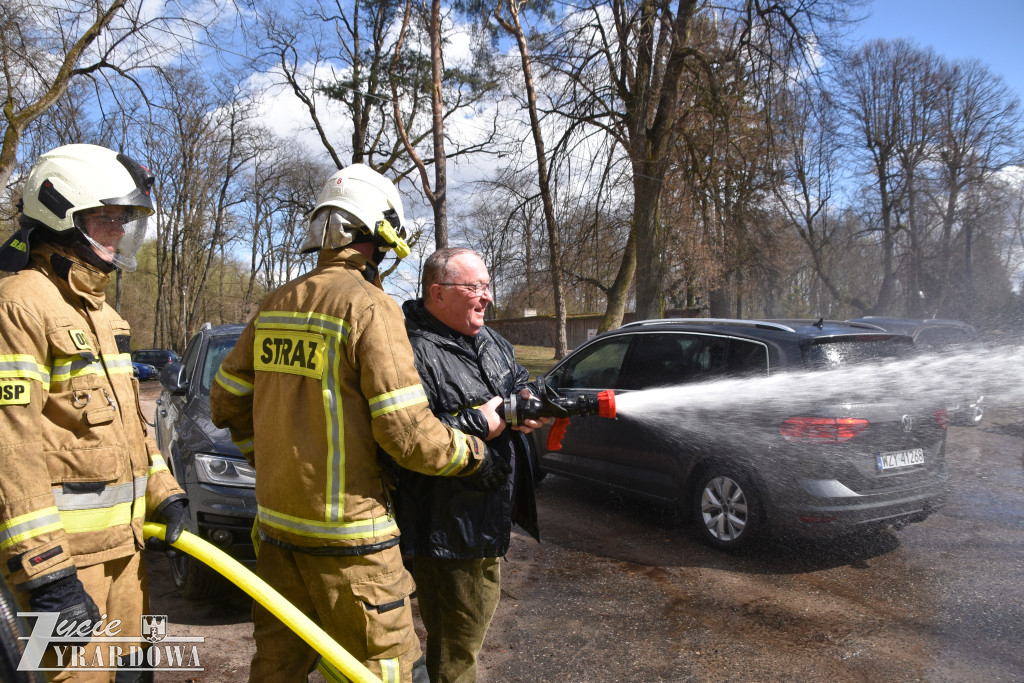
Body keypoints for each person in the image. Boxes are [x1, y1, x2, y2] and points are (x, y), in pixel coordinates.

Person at [209, 164, 507, 683]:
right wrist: (475, 455)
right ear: (380, 232)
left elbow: (226, 402)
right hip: (353, 545)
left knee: (277, 670)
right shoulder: (370, 306)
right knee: (383, 671)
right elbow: (407, 435)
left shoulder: (276, 303)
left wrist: (276, 463)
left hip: (277, 536)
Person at [0, 143, 189, 682]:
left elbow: (129, 425)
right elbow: (8, 449)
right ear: (62, 215)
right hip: (64, 569)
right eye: (106, 218)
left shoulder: (105, 315)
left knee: (135, 674)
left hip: (127, 556)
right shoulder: (18, 305)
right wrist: (46, 574)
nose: (119, 232)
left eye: (124, 220)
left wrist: (166, 493)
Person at [394, 247, 547, 683]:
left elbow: (517, 381)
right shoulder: (409, 352)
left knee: (470, 630)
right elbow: (408, 436)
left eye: (487, 285)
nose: (487, 297)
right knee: (457, 645)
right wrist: (479, 423)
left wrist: (528, 400)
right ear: (438, 293)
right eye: (475, 287)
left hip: (488, 519)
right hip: (446, 528)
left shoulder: (490, 341)